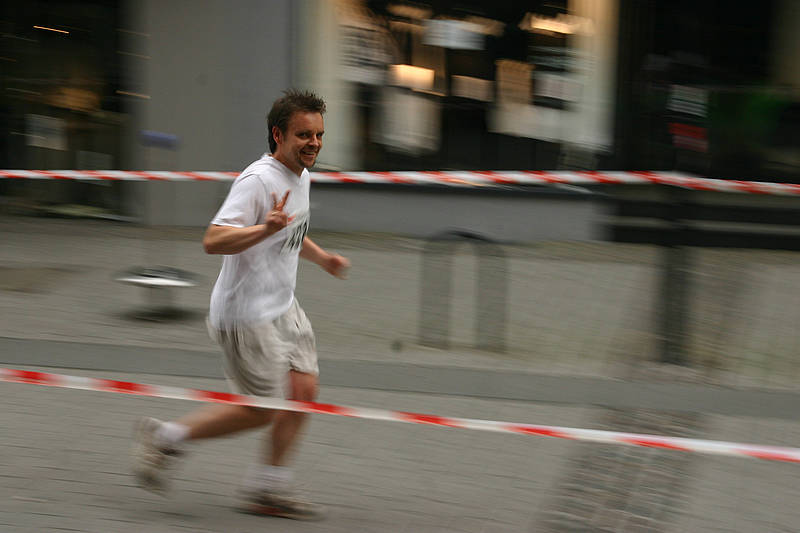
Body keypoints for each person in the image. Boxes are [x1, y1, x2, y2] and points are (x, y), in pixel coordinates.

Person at [131, 89, 349, 521]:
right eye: (304, 135)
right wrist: (262, 229)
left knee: (303, 392)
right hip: (246, 315)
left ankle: (268, 488)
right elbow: (213, 240)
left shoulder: (300, 175)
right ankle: (166, 438)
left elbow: (287, 231)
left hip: (282, 306)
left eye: (319, 135)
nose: (314, 143)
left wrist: (322, 257)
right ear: (277, 134)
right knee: (259, 411)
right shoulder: (258, 180)